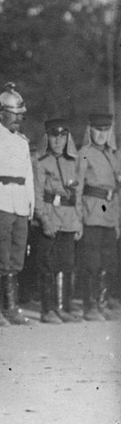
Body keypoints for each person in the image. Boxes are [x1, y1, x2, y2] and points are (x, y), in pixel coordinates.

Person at [0, 83, 34, 326]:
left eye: (21, 115)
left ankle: (11, 308)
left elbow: (28, 175)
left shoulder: (22, 142)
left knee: (16, 258)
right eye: (14, 114)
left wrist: (30, 205)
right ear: (2, 113)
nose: (18, 119)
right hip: (0, 204)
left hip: (20, 205)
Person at [32, 119, 82, 324]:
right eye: (54, 136)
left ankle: (62, 308)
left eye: (63, 136)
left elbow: (77, 193)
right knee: (47, 264)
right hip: (50, 216)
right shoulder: (40, 161)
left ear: (68, 137)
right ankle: (48, 309)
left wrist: (79, 220)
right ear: (47, 137)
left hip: (69, 219)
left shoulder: (74, 161)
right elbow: (37, 193)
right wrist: (43, 219)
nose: (58, 140)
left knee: (66, 263)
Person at [76, 112, 120, 321]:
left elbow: (117, 189)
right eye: (97, 129)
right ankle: (90, 306)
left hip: (110, 214)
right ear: (90, 130)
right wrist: (77, 216)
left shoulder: (113, 155)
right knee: (91, 261)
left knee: (108, 261)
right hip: (92, 212)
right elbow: (77, 189)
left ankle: (102, 304)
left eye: (105, 130)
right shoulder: (84, 153)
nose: (101, 134)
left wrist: (118, 219)